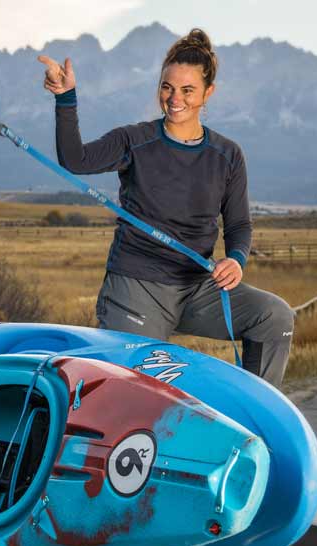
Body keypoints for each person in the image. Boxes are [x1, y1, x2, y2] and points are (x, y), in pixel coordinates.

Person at [38, 28, 294, 388]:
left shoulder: (228, 154)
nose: (175, 99)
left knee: (274, 317)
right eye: (167, 87)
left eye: (187, 90)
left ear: (208, 93)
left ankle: (257, 428)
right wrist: (65, 99)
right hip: (136, 287)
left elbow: (239, 225)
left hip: (197, 288)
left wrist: (236, 259)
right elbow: (76, 159)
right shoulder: (134, 140)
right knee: (129, 392)